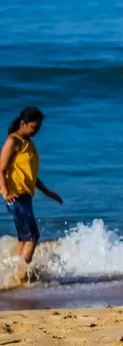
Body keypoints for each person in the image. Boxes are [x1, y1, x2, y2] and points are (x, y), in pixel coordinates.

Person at [1, 107, 63, 270]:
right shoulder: (13, 141)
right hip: (16, 197)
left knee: (24, 239)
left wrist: (47, 192)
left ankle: (14, 273)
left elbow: (31, 176)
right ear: (23, 123)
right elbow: (1, 169)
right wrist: (6, 193)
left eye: (39, 128)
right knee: (32, 237)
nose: (36, 131)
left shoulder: (28, 143)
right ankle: (22, 274)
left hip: (25, 197)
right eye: (34, 127)